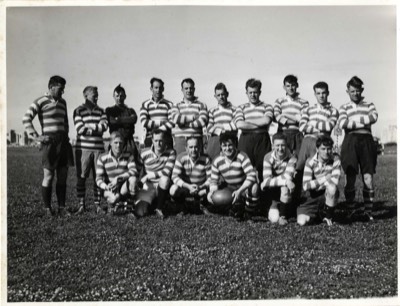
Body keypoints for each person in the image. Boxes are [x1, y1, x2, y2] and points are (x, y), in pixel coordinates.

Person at [22, 75, 73, 217]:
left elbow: (66, 121)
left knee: (62, 176)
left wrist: (66, 135)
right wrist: (36, 136)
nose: (62, 92)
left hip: (63, 142)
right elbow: (26, 118)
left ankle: (62, 208)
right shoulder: (40, 101)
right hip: (50, 143)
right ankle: (47, 209)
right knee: (49, 175)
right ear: (51, 87)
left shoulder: (63, 102)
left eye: (63, 89)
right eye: (60, 89)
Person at [338, 76, 378, 221]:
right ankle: (350, 210)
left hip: (367, 141)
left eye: (358, 90)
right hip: (350, 141)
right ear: (347, 91)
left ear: (362, 90)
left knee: (368, 177)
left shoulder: (369, 105)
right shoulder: (344, 107)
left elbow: (374, 117)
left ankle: (369, 211)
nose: (355, 93)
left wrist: (353, 122)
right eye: (352, 91)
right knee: (350, 177)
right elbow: (343, 123)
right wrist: (363, 121)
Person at [207, 132, 259, 221]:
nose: (227, 148)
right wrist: (211, 191)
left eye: (230, 145)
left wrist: (240, 191)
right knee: (215, 197)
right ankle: (234, 208)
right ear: (221, 146)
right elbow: (213, 180)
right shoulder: (217, 160)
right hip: (230, 187)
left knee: (254, 187)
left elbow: (251, 176)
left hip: (243, 186)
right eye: (224, 146)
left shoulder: (242, 156)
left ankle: (249, 212)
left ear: (235, 145)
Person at [73, 86, 108, 214]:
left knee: (98, 177)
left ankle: (97, 205)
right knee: (81, 177)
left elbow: (104, 127)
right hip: (83, 149)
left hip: (98, 149)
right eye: (94, 94)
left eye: (97, 94)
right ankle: (81, 205)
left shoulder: (101, 111)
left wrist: (89, 127)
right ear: (86, 95)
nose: (97, 97)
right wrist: (96, 128)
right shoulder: (78, 110)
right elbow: (80, 129)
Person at [234, 78, 273, 182]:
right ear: (246, 93)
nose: (253, 95)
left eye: (255, 92)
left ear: (259, 92)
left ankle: (264, 195)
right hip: (246, 139)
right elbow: (239, 124)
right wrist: (259, 124)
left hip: (262, 140)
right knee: (244, 167)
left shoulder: (267, 106)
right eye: (250, 92)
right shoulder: (241, 107)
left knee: (264, 168)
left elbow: (266, 121)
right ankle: (245, 196)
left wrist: (248, 122)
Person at [297, 135, 341, 226]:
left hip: (325, 194)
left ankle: (328, 217)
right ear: (317, 149)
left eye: (329, 149)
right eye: (323, 149)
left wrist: (316, 182)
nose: (326, 152)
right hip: (311, 197)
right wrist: (325, 178)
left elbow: (334, 182)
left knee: (332, 188)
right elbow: (305, 186)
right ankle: (318, 214)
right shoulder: (310, 161)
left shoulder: (336, 159)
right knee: (301, 222)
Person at [135, 129, 176, 219]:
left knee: (165, 179)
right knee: (140, 212)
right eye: (156, 141)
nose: (158, 143)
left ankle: (159, 208)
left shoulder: (171, 152)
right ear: (152, 140)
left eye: (161, 141)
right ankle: (154, 202)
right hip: (148, 185)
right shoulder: (144, 152)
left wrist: (148, 176)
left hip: (161, 184)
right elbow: (136, 170)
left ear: (165, 140)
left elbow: (166, 172)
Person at [297, 82, 339, 171]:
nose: (321, 96)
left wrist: (311, 123)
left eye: (323, 93)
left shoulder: (333, 111)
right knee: (300, 168)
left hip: (320, 142)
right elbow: (301, 126)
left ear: (328, 93)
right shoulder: (308, 109)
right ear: (315, 94)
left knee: (316, 169)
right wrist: (319, 128)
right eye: (318, 93)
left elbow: (328, 127)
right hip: (306, 141)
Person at [96, 131, 138, 215]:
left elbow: (133, 171)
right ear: (110, 143)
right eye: (116, 142)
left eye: (120, 143)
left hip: (122, 187)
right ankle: (111, 206)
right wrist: (106, 187)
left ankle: (129, 210)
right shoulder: (102, 157)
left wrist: (118, 178)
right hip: (109, 187)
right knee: (113, 198)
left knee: (133, 179)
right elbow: (98, 178)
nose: (118, 145)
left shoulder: (128, 155)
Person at [260, 133, 297, 226]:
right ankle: (270, 207)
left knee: (285, 187)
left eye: (283, 145)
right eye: (277, 145)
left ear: (286, 145)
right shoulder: (267, 157)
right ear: (273, 146)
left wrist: (271, 180)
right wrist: (285, 181)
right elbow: (267, 180)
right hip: (272, 192)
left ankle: (283, 216)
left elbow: (288, 177)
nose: (280, 148)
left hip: (284, 190)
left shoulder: (292, 158)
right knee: (273, 219)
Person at [170, 137, 212, 215]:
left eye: (196, 147)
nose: (193, 150)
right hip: (186, 187)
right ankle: (182, 207)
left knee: (212, 189)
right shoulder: (181, 157)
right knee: (173, 189)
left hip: (200, 188)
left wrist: (201, 186)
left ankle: (203, 205)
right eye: (191, 147)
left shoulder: (206, 159)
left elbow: (211, 178)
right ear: (186, 148)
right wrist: (188, 186)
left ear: (200, 148)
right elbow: (174, 176)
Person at [169, 78, 208, 155]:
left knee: (198, 164)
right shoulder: (176, 105)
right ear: (182, 90)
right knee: (180, 161)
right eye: (186, 88)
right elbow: (176, 119)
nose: (189, 90)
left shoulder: (202, 105)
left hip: (196, 139)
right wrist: (193, 118)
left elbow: (202, 121)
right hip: (181, 139)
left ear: (194, 89)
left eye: (191, 88)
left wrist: (183, 123)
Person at [273, 74, 309, 156]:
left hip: (297, 134)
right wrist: (294, 119)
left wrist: (285, 114)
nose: (291, 88)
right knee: (283, 158)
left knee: (298, 158)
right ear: (284, 87)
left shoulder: (304, 102)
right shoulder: (279, 101)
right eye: (288, 86)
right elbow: (277, 117)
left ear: (297, 85)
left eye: (293, 85)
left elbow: (302, 119)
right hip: (283, 133)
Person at [105, 84, 139, 162]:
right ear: (113, 96)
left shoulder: (130, 110)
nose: (119, 98)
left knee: (133, 163)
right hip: (115, 141)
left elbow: (134, 119)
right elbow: (112, 120)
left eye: (121, 96)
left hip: (129, 142)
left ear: (125, 96)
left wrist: (119, 120)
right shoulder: (109, 110)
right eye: (117, 96)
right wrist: (127, 119)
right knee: (115, 163)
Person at [139, 77, 174, 148]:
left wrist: (157, 129)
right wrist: (163, 123)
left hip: (166, 138)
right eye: (156, 87)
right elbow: (144, 122)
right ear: (151, 89)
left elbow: (172, 122)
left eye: (160, 88)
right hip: (150, 138)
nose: (158, 90)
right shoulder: (145, 104)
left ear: (163, 89)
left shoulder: (169, 104)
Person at [206, 83, 237, 160]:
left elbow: (235, 126)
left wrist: (217, 126)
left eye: (223, 94)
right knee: (213, 161)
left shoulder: (234, 109)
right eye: (218, 95)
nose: (221, 97)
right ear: (215, 96)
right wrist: (224, 129)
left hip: (230, 140)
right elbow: (209, 128)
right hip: (216, 140)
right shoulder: (212, 111)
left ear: (227, 94)